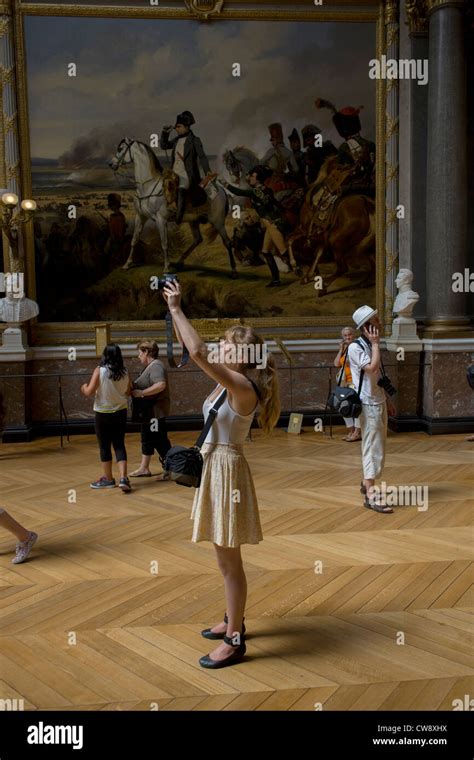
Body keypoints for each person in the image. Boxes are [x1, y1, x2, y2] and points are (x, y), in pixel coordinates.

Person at [162, 279, 280, 668]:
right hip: (215, 467)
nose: (221, 346)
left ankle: (235, 639)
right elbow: (194, 350)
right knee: (222, 559)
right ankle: (232, 617)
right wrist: (173, 313)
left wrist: (177, 308)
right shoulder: (224, 383)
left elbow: (195, 350)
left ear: (243, 354)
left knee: (230, 564)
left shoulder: (242, 386)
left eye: (228, 343)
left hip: (227, 471)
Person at [347, 306, 396, 514]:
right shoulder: (356, 347)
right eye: (375, 319)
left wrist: (387, 400)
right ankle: (371, 495)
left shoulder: (370, 344)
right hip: (367, 404)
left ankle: (365, 482)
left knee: (378, 446)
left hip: (378, 400)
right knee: (372, 448)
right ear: (367, 327)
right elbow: (372, 368)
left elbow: (377, 377)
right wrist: (376, 344)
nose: (380, 321)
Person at [220, 165, 291, 287]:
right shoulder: (267, 190)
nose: (250, 178)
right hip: (273, 223)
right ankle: (276, 280)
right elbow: (277, 205)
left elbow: (238, 191)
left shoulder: (255, 192)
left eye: (252, 176)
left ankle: (303, 268)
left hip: (271, 224)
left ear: (257, 179)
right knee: (266, 251)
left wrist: (224, 183)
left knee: (284, 252)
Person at [81, 343, 132, 491]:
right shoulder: (125, 371)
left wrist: (83, 387)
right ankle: (123, 478)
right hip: (120, 412)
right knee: (119, 444)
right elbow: (128, 392)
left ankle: (109, 479)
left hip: (102, 414)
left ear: (105, 355)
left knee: (104, 446)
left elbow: (89, 391)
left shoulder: (100, 370)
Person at [159, 110, 212, 224]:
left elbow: (202, 157)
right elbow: (163, 145)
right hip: (174, 173)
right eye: (176, 127)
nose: (176, 129)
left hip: (187, 174)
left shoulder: (195, 141)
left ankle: (178, 219)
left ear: (187, 127)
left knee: (181, 189)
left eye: (179, 126)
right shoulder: (177, 140)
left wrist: (207, 171)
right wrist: (164, 132)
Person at [130, 340, 171, 480]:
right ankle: (144, 468)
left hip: (155, 413)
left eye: (140, 353)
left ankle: (170, 470)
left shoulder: (156, 366)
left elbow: (160, 385)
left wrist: (141, 393)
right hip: (149, 412)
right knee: (147, 438)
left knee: (159, 440)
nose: (138, 356)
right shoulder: (151, 366)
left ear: (147, 352)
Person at [333, 326, 361, 442]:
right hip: (345, 382)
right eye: (345, 335)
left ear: (353, 335)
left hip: (356, 382)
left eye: (349, 335)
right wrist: (341, 349)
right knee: (343, 405)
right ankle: (351, 430)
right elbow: (336, 364)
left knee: (357, 407)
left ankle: (357, 432)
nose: (347, 337)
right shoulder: (344, 349)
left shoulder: (357, 347)